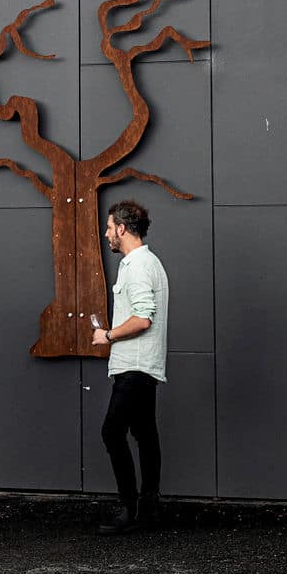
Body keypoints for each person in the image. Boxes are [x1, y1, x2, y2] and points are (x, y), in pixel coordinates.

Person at [91, 199, 168, 535]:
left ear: (121, 229)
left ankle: (129, 509)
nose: (107, 233)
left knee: (112, 431)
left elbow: (142, 318)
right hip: (144, 365)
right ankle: (148, 511)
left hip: (135, 366)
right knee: (145, 434)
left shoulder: (137, 266)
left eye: (109, 227)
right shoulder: (149, 262)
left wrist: (107, 335)